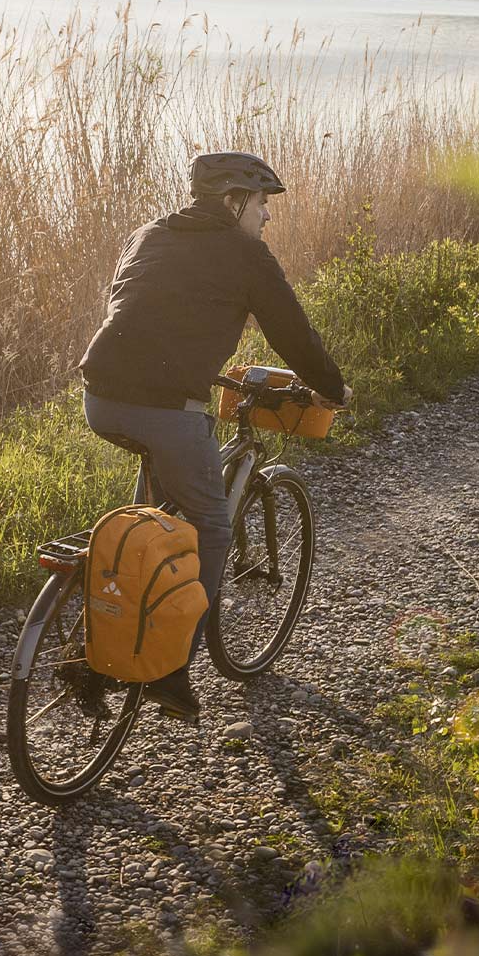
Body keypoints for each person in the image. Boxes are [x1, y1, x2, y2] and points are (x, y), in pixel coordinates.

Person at [79, 150, 352, 724]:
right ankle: (174, 668)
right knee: (211, 526)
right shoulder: (247, 254)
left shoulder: (148, 232)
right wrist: (332, 389)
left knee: (153, 514)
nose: (266, 218)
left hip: (100, 398)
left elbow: (135, 305)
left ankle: (103, 621)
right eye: (261, 205)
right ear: (234, 202)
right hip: (165, 411)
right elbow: (292, 333)